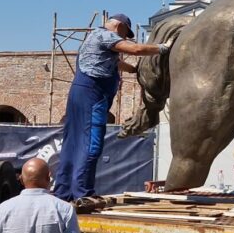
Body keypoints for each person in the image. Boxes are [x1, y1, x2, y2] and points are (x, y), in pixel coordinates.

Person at [53, 14, 168, 201]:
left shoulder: (93, 38)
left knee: (72, 143)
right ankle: (82, 193)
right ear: (119, 26)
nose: (124, 38)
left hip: (80, 94)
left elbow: (118, 63)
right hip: (93, 95)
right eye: (125, 33)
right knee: (91, 144)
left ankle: (64, 191)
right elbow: (136, 49)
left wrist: (134, 70)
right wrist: (163, 48)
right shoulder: (106, 35)